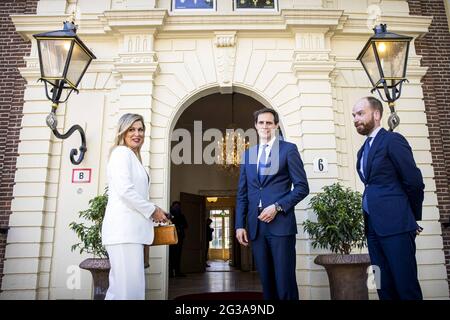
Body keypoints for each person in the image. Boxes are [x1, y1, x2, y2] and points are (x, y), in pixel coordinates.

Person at [352, 97, 424, 300]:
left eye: (360, 113)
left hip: (397, 227)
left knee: (405, 286)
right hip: (373, 229)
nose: (356, 119)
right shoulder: (362, 150)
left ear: (376, 114)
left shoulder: (393, 140)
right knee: (384, 287)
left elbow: (414, 182)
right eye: (354, 115)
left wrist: (411, 218)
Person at [235, 108, 309, 300]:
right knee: (267, 284)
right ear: (255, 126)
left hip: (281, 225)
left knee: (285, 282)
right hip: (256, 227)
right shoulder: (248, 154)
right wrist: (239, 225)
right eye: (261, 123)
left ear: (276, 125)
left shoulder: (288, 149)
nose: (265, 126)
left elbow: (302, 187)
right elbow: (242, 194)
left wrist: (277, 207)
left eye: (269, 123)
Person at [101, 113, 168, 300]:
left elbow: (133, 194)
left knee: (123, 291)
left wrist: (156, 209)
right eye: (131, 129)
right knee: (128, 293)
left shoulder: (132, 156)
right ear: (122, 131)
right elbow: (125, 191)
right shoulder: (121, 153)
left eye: (140, 129)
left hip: (130, 234)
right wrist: (152, 210)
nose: (137, 133)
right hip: (124, 233)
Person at [169, 201, 188, 277]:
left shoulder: (181, 216)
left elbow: (186, 225)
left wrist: (180, 226)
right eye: (175, 206)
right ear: (172, 206)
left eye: (178, 206)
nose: (177, 208)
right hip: (170, 238)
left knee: (178, 255)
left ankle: (177, 272)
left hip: (179, 238)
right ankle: (170, 272)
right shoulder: (169, 215)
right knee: (170, 255)